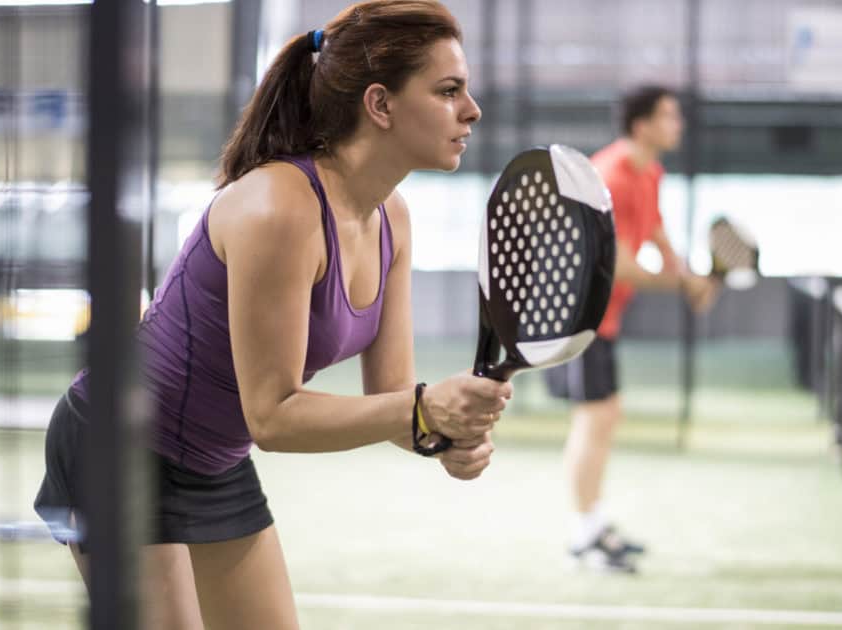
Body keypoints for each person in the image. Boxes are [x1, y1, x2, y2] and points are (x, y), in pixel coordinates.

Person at [33, 2, 509, 628]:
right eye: (448, 91)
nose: (471, 109)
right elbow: (274, 417)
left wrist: (438, 436)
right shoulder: (279, 207)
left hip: (213, 461)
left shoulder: (392, 217)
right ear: (380, 105)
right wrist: (423, 410)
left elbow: (391, 399)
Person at [543, 85, 718, 574]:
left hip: (604, 314)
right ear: (641, 126)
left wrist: (685, 275)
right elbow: (618, 264)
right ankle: (584, 539)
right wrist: (682, 284)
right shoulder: (611, 176)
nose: (678, 124)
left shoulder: (650, 171)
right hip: (576, 313)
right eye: (668, 116)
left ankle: (594, 525)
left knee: (604, 416)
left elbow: (656, 229)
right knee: (595, 417)